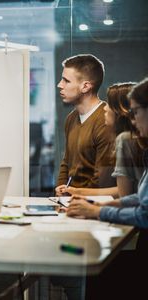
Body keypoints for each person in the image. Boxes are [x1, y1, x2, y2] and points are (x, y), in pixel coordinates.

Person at [67, 78, 148, 300]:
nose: (134, 118)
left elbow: (143, 211)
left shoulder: (124, 140)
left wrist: (98, 211)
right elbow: (139, 198)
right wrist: (100, 203)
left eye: (136, 111)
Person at [61, 82, 145, 197]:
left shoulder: (125, 140)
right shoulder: (127, 140)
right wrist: (76, 192)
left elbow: (124, 196)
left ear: (120, 111)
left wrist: (91, 207)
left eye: (109, 104)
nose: (105, 108)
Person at [55, 54, 115, 197]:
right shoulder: (71, 118)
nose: (59, 85)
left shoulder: (106, 120)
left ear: (85, 86)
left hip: (92, 204)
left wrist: (75, 196)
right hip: (70, 201)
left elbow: (102, 180)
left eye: (66, 81)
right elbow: (67, 161)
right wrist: (60, 190)